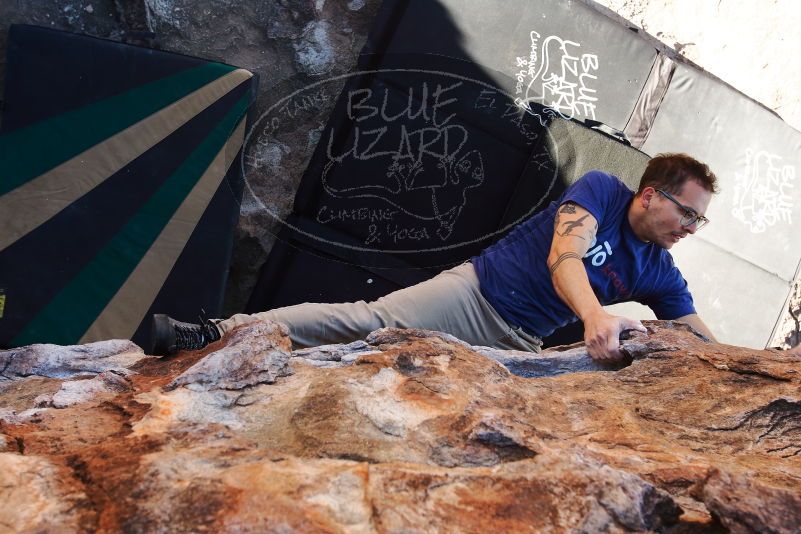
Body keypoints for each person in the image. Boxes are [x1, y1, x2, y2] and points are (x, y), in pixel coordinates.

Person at [151, 153, 719, 362]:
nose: (692, 228)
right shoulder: (602, 191)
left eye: (700, 220)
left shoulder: (658, 270)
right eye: (688, 213)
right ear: (649, 195)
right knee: (363, 324)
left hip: (518, 347)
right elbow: (565, 254)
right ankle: (211, 332)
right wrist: (596, 315)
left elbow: (700, 338)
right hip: (474, 296)